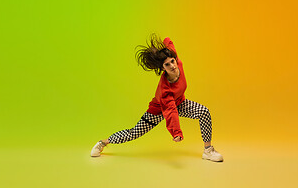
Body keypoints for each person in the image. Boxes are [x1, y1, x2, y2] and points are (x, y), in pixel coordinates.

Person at [90, 34, 223, 162]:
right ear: (162, 68)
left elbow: (171, 47)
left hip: (179, 103)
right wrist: (176, 132)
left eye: (172, 61)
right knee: (134, 133)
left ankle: (208, 151)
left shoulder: (178, 64)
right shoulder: (165, 89)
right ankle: (103, 142)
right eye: (167, 65)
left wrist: (167, 41)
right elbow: (170, 111)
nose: (172, 66)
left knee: (203, 112)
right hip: (158, 110)